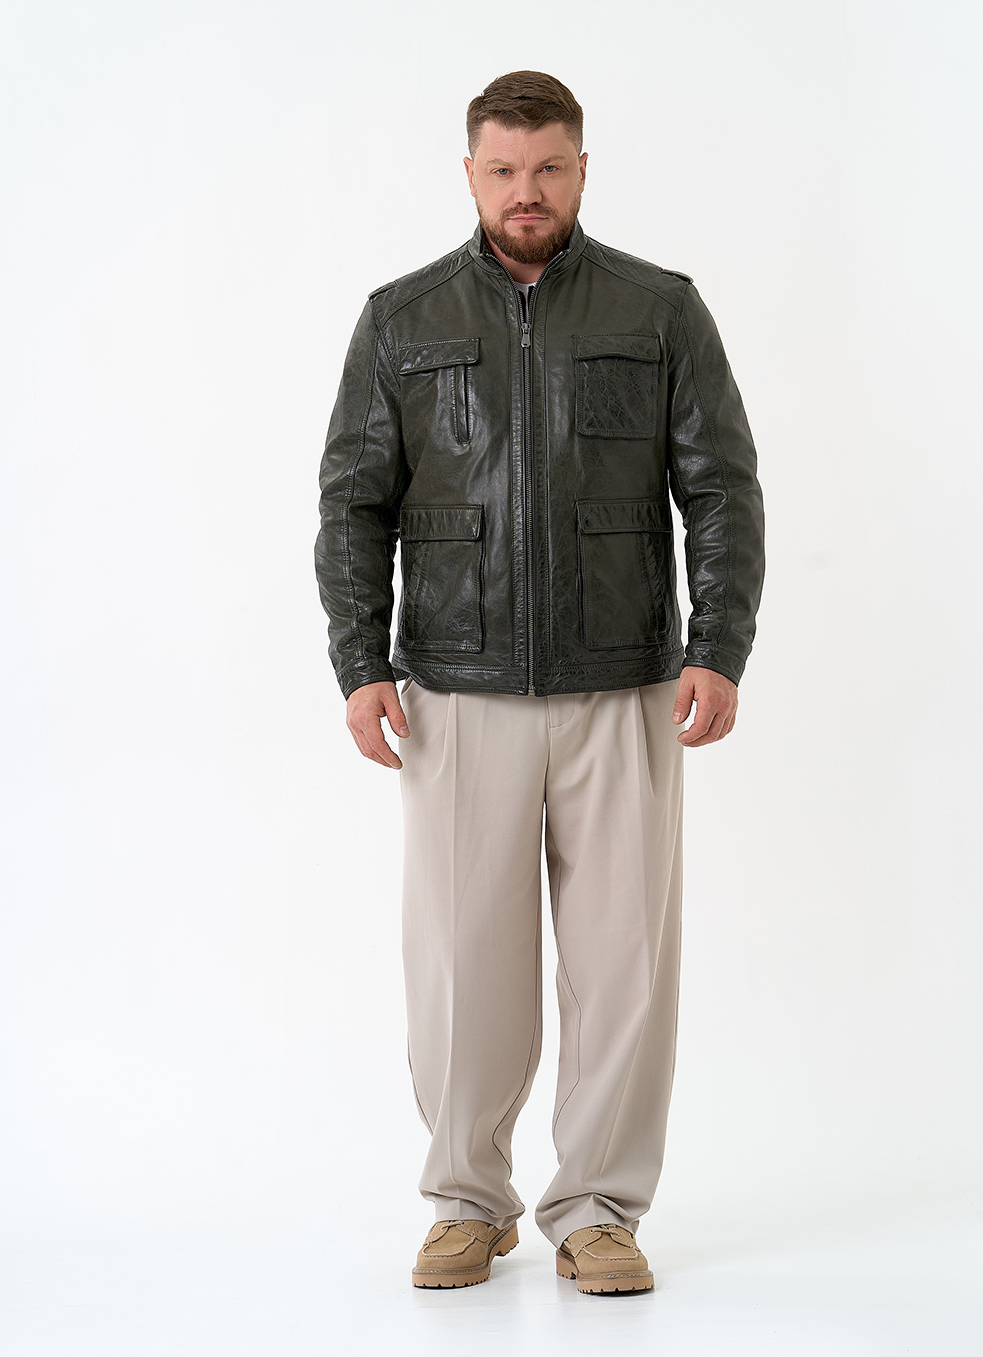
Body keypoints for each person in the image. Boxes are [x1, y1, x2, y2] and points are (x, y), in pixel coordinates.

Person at [314, 70, 765, 1295]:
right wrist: (360, 663)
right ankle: (467, 1200)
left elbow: (719, 488)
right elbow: (352, 502)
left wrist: (718, 643)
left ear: (580, 169)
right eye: (505, 170)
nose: (527, 191)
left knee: (623, 965)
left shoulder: (658, 308)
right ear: (470, 174)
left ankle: (598, 1209)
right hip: (455, 690)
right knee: (464, 967)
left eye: (549, 168)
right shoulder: (401, 317)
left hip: (623, 685)